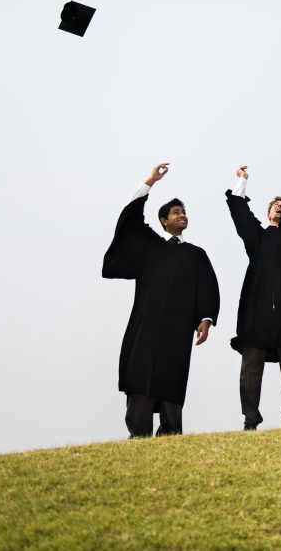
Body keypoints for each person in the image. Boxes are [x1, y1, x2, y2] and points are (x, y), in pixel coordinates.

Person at [102, 163, 220, 438]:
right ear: (164, 220)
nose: (182, 216)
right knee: (140, 377)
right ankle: (138, 435)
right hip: (145, 325)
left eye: (184, 212)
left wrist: (206, 318)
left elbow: (207, 287)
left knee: (171, 377)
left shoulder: (196, 255)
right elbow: (129, 221)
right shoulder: (150, 247)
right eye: (176, 212)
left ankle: (170, 434)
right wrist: (149, 182)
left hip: (177, 330)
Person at [225, 165, 281, 430]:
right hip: (256, 309)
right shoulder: (257, 238)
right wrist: (242, 181)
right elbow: (240, 213)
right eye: (277, 205)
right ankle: (250, 417)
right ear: (268, 212)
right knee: (251, 365)